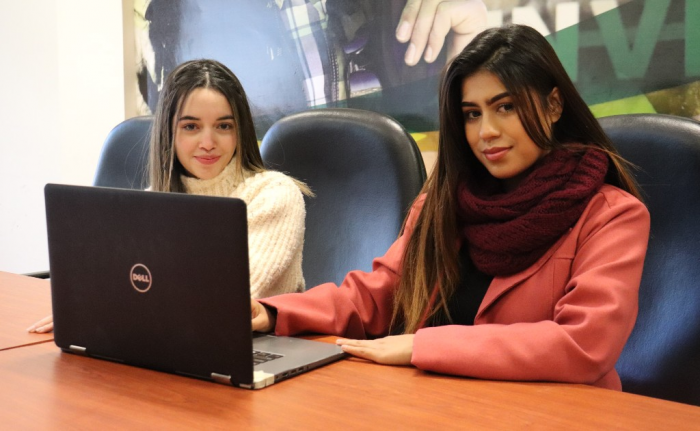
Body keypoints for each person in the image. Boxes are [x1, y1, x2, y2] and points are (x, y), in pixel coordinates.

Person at [250, 24, 650, 391]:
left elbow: (584, 343)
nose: (486, 131)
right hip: (441, 403)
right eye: (472, 115)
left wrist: (421, 346)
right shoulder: (442, 203)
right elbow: (377, 295)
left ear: (554, 106)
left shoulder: (612, 215)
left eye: (505, 107)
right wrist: (273, 313)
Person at [28, 59, 309, 334]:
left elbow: (221, 302)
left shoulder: (275, 194)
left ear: (241, 131)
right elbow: (128, 284)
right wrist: (84, 305)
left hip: (256, 346)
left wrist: (106, 309)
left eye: (224, 126)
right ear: (168, 133)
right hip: (166, 338)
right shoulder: (154, 200)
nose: (208, 143)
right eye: (191, 127)